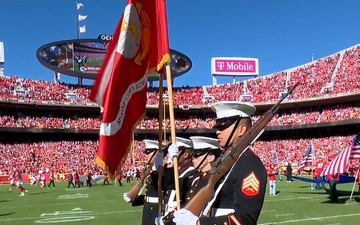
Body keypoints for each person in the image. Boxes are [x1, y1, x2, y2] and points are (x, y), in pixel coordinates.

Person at [173, 101, 267, 225]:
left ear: (242, 129)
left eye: (223, 127)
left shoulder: (249, 164)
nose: (217, 131)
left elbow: (245, 219)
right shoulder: (225, 159)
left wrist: (199, 223)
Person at [157, 136, 222, 225]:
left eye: (197, 155)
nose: (193, 158)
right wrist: (170, 162)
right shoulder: (198, 177)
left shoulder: (214, 179)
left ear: (210, 158)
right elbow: (170, 184)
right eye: (193, 155)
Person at [123, 139, 164, 225]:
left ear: (156, 154)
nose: (146, 156)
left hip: (157, 209)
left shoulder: (161, 171)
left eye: (148, 153)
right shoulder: (151, 170)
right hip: (148, 208)